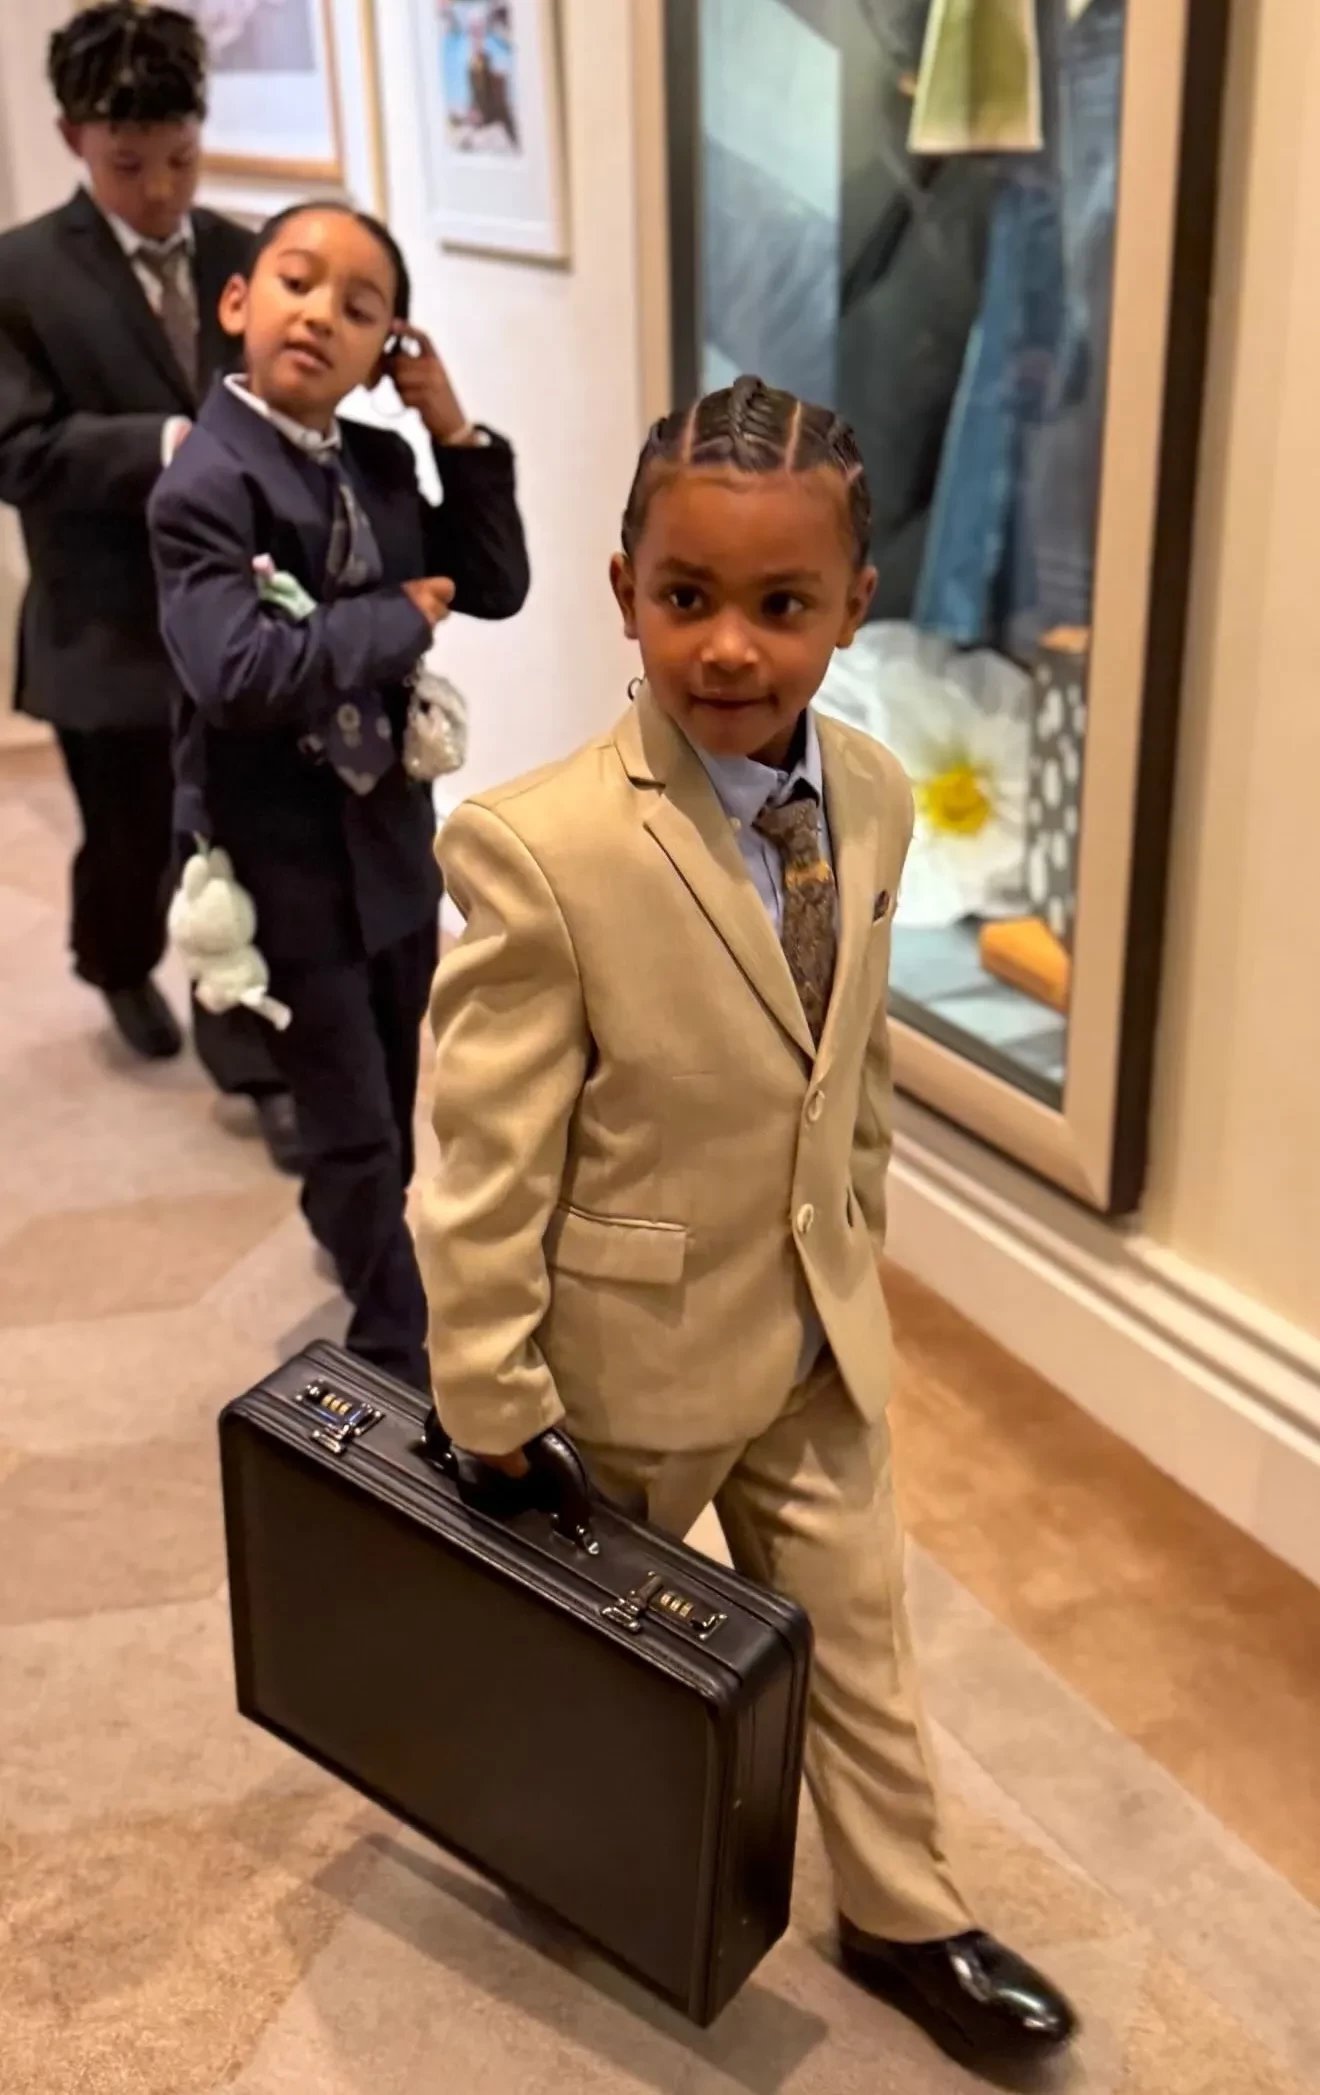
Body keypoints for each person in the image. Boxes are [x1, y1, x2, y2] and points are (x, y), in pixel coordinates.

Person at [418, 376, 1077, 2072]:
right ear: (623, 587)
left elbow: (848, 1063)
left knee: (860, 1630)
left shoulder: (870, 794)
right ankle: (561, 1844)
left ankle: (906, 1911)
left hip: (811, 1334)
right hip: (623, 1364)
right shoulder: (539, 847)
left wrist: (853, 1240)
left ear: (854, 606)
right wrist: (491, 1398)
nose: (728, 646)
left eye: (782, 604)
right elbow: (483, 1164)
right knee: (597, 1657)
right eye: (686, 596)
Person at [147, 200, 528, 1391]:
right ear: (238, 302)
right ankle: (391, 1335)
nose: (320, 314)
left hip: (388, 835)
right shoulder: (203, 483)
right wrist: (391, 618)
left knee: (395, 1068)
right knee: (348, 1101)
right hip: (278, 848)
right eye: (297, 283)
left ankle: (350, 1216)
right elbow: (237, 672)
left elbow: (495, 581)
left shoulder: (383, 460)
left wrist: (449, 425)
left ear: (382, 354)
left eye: (359, 308)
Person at [0, 1, 298, 1168]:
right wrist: (168, 444)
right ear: (74, 138)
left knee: (233, 845)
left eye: (182, 158)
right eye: (131, 165)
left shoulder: (245, 255)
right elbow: (16, 451)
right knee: (127, 838)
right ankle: (117, 961)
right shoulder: (18, 274)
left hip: (237, 617)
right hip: (102, 624)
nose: (163, 190)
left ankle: (256, 1059)